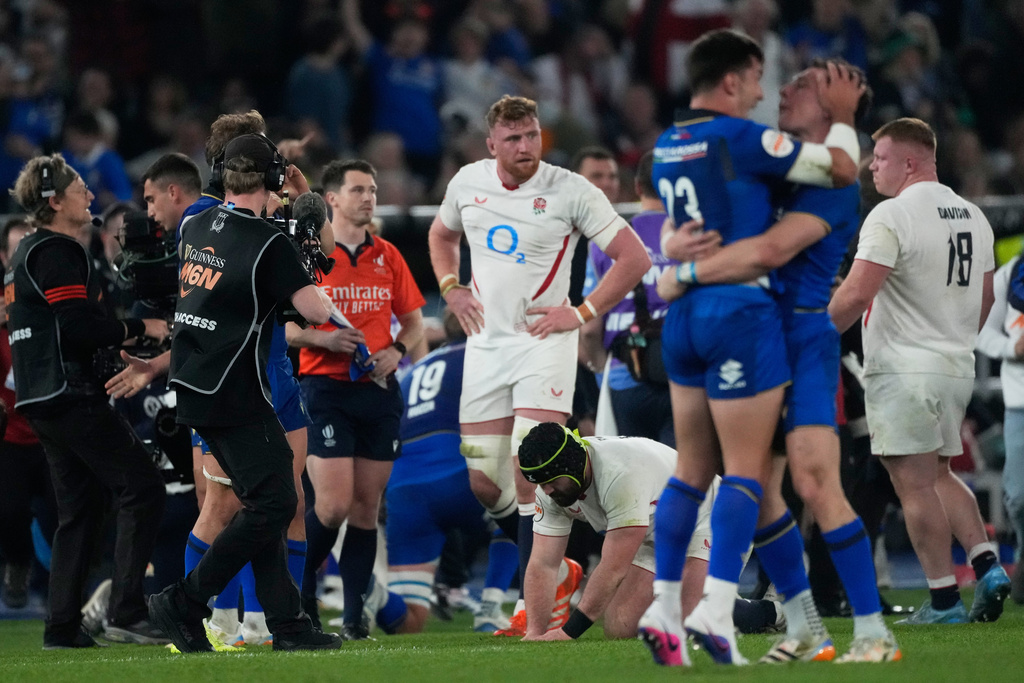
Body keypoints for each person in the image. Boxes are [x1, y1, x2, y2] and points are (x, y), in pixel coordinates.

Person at [653, 59, 899, 662]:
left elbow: (766, 250)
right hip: (752, 334)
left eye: (805, 86)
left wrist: (675, 275)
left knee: (816, 483)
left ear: (835, 109)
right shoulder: (777, 163)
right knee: (759, 489)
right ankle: (805, 626)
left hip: (803, 341)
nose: (784, 91)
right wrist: (669, 241)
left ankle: (873, 632)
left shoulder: (835, 184)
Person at [428, 94, 652, 636]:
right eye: (513, 139)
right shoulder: (467, 182)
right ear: (492, 144)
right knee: (484, 481)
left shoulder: (570, 189)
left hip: (543, 344)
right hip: (485, 345)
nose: (525, 147)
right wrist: (451, 289)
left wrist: (581, 312)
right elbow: (441, 235)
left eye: (531, 136)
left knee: (534, 472)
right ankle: (564, 565)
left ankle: (539, 601)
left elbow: (635, 257)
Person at [107, 116, 326, 647]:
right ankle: (186, 601)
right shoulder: (267, 240)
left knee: (265, 495)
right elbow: (315, 310)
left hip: (198, 385)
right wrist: (304, 232)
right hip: (241, 386)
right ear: (272, 178)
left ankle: (287, 624)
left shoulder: (195, 226)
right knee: (273, 501)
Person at [829, 117, 1010, 624]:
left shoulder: (891, 215)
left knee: (913, 485)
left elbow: (858, 291)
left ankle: (945, 600)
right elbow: (987, 295)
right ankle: (988, 565)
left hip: (903, 368)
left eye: (880, 157)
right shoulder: (975, 216)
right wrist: (954, 340)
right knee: (940, 473)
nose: (871, 166)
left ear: (909, 162)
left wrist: (812, 336)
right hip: (956, 365)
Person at [6, 154, 169, 649]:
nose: (90, 193)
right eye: (79, 186)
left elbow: (64, 325)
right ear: (55, 200)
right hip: (69, 394)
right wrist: (141, 328)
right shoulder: (57, 249)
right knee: (143, 487)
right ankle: (126, 612)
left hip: (41, 396)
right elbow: (76, 327)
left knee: (81, 508)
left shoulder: (30, 251)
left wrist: (113, 342)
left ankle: (61, 625)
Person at [288, 159, 425, 640]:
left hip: (377, 390)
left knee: (367, 508)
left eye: (372, 189)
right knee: (332, 506)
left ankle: (353, 617)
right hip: (324, 388)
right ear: (332, 200)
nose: (369, 198)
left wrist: (397, 352)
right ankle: (300, 595)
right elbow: (282, 327)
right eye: (358, 190)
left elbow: (412, 322)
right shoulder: (306, 259)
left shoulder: (387, 254)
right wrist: (322, 342)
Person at [516, 422, 781, 642]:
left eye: (550, 480)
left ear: (572, 465)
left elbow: (612, 568)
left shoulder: (620, 474)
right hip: (657, 533)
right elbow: (543, 563)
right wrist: (535, 633)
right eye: (540, 482)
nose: (546, 490)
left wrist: (566, 633)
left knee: (687, 625)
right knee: (621, 627)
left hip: (710, 518)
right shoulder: (550, 489)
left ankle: (772, 610)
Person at [360, 329, 521, 635]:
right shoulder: (486, 355)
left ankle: (371, 590)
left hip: (404, 487)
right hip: (460, 472)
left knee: (409, 622)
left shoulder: (414, 370)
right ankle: (490, 607)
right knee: (526, 500)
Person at [580, 151, 674, 445]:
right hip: (681, 374)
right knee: (687, 478)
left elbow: (590, 329)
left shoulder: (606, 240)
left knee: (635, 482)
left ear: (636, 187)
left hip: (624, 376)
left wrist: (600, 369)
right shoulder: (693, 236)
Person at [0, 217, 56, 611]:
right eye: (16, 248)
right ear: (4, 255)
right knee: (10, 512)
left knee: (65, 516)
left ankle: (68, 592)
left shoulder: (56, 297)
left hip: (53, 431)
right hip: (11, 437)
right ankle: (18, 563)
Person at [976, 252, 1024, 604]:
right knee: (1019, 497)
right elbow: (981, 332)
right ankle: (1023, 555)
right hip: (1019, 401)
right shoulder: (1011, 274)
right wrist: (1013, 347)